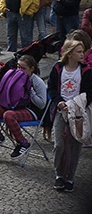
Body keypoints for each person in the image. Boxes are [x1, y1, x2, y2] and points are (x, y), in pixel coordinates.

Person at [47, 39, 92, 193]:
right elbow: (51, 88)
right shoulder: (58, 68)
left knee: (75, 146)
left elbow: (89, 93)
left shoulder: (86, 71)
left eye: (83, 51)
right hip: (61, 112)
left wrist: (75, 104)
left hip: (78, 113)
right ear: (70, 53)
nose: (82, 54)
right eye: (79, 51)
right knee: (59, 144)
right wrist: (59, 102)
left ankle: (70, 177)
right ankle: (59, 174)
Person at [0, 55, 47, 157]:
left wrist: (31, 92)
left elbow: (42, 105)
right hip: (14, 106)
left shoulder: (37, 82)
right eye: (18, 67)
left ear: (32, 69)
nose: (20, 70)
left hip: (32, 110)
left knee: (9, 115)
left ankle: (23, 143)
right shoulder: (14, 76)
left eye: (23, 68)